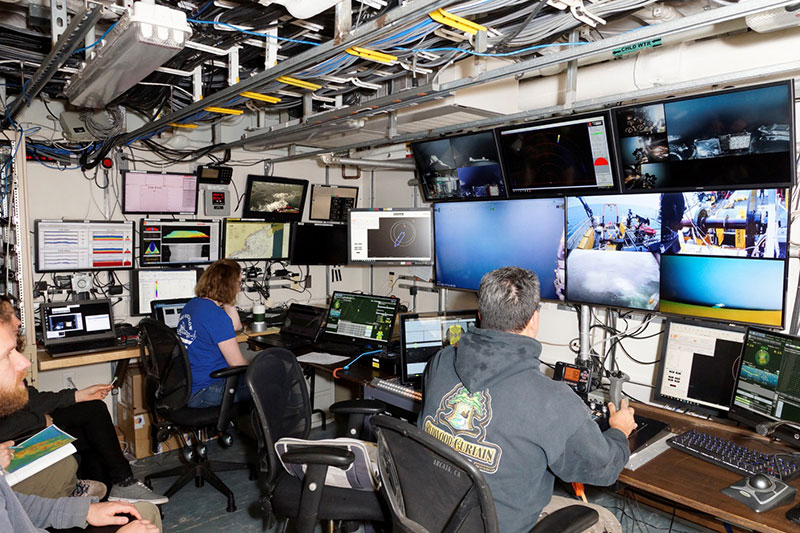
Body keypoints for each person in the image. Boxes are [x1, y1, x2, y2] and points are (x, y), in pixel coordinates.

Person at [419, 267, 637, 533]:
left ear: (480, 315)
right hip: (497, 526)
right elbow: (604, 469)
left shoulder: (440, 361)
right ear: (534, 321)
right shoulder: (553, 401)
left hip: (432, 516)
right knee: (604, 518)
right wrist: (618, 431)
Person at [0, 297, 167, 505]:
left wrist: (78, 395)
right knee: (88, 430)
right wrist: (40, 421)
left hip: (24, 423)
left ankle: (113, 492)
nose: (18, 322)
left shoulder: (8, 362)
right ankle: (118, 488)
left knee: (92, 411)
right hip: (17, 436)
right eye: (11, 316)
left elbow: (30, 397)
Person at [177, 259, 250, 408]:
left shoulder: (193, 304)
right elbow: (236, 363)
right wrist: (260, 368)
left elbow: (236, 326)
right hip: (207, 389)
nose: (239, 288)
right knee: (272, 382)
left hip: (187, 387)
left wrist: (227, 299)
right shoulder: (216, 316)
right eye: (238, 283)